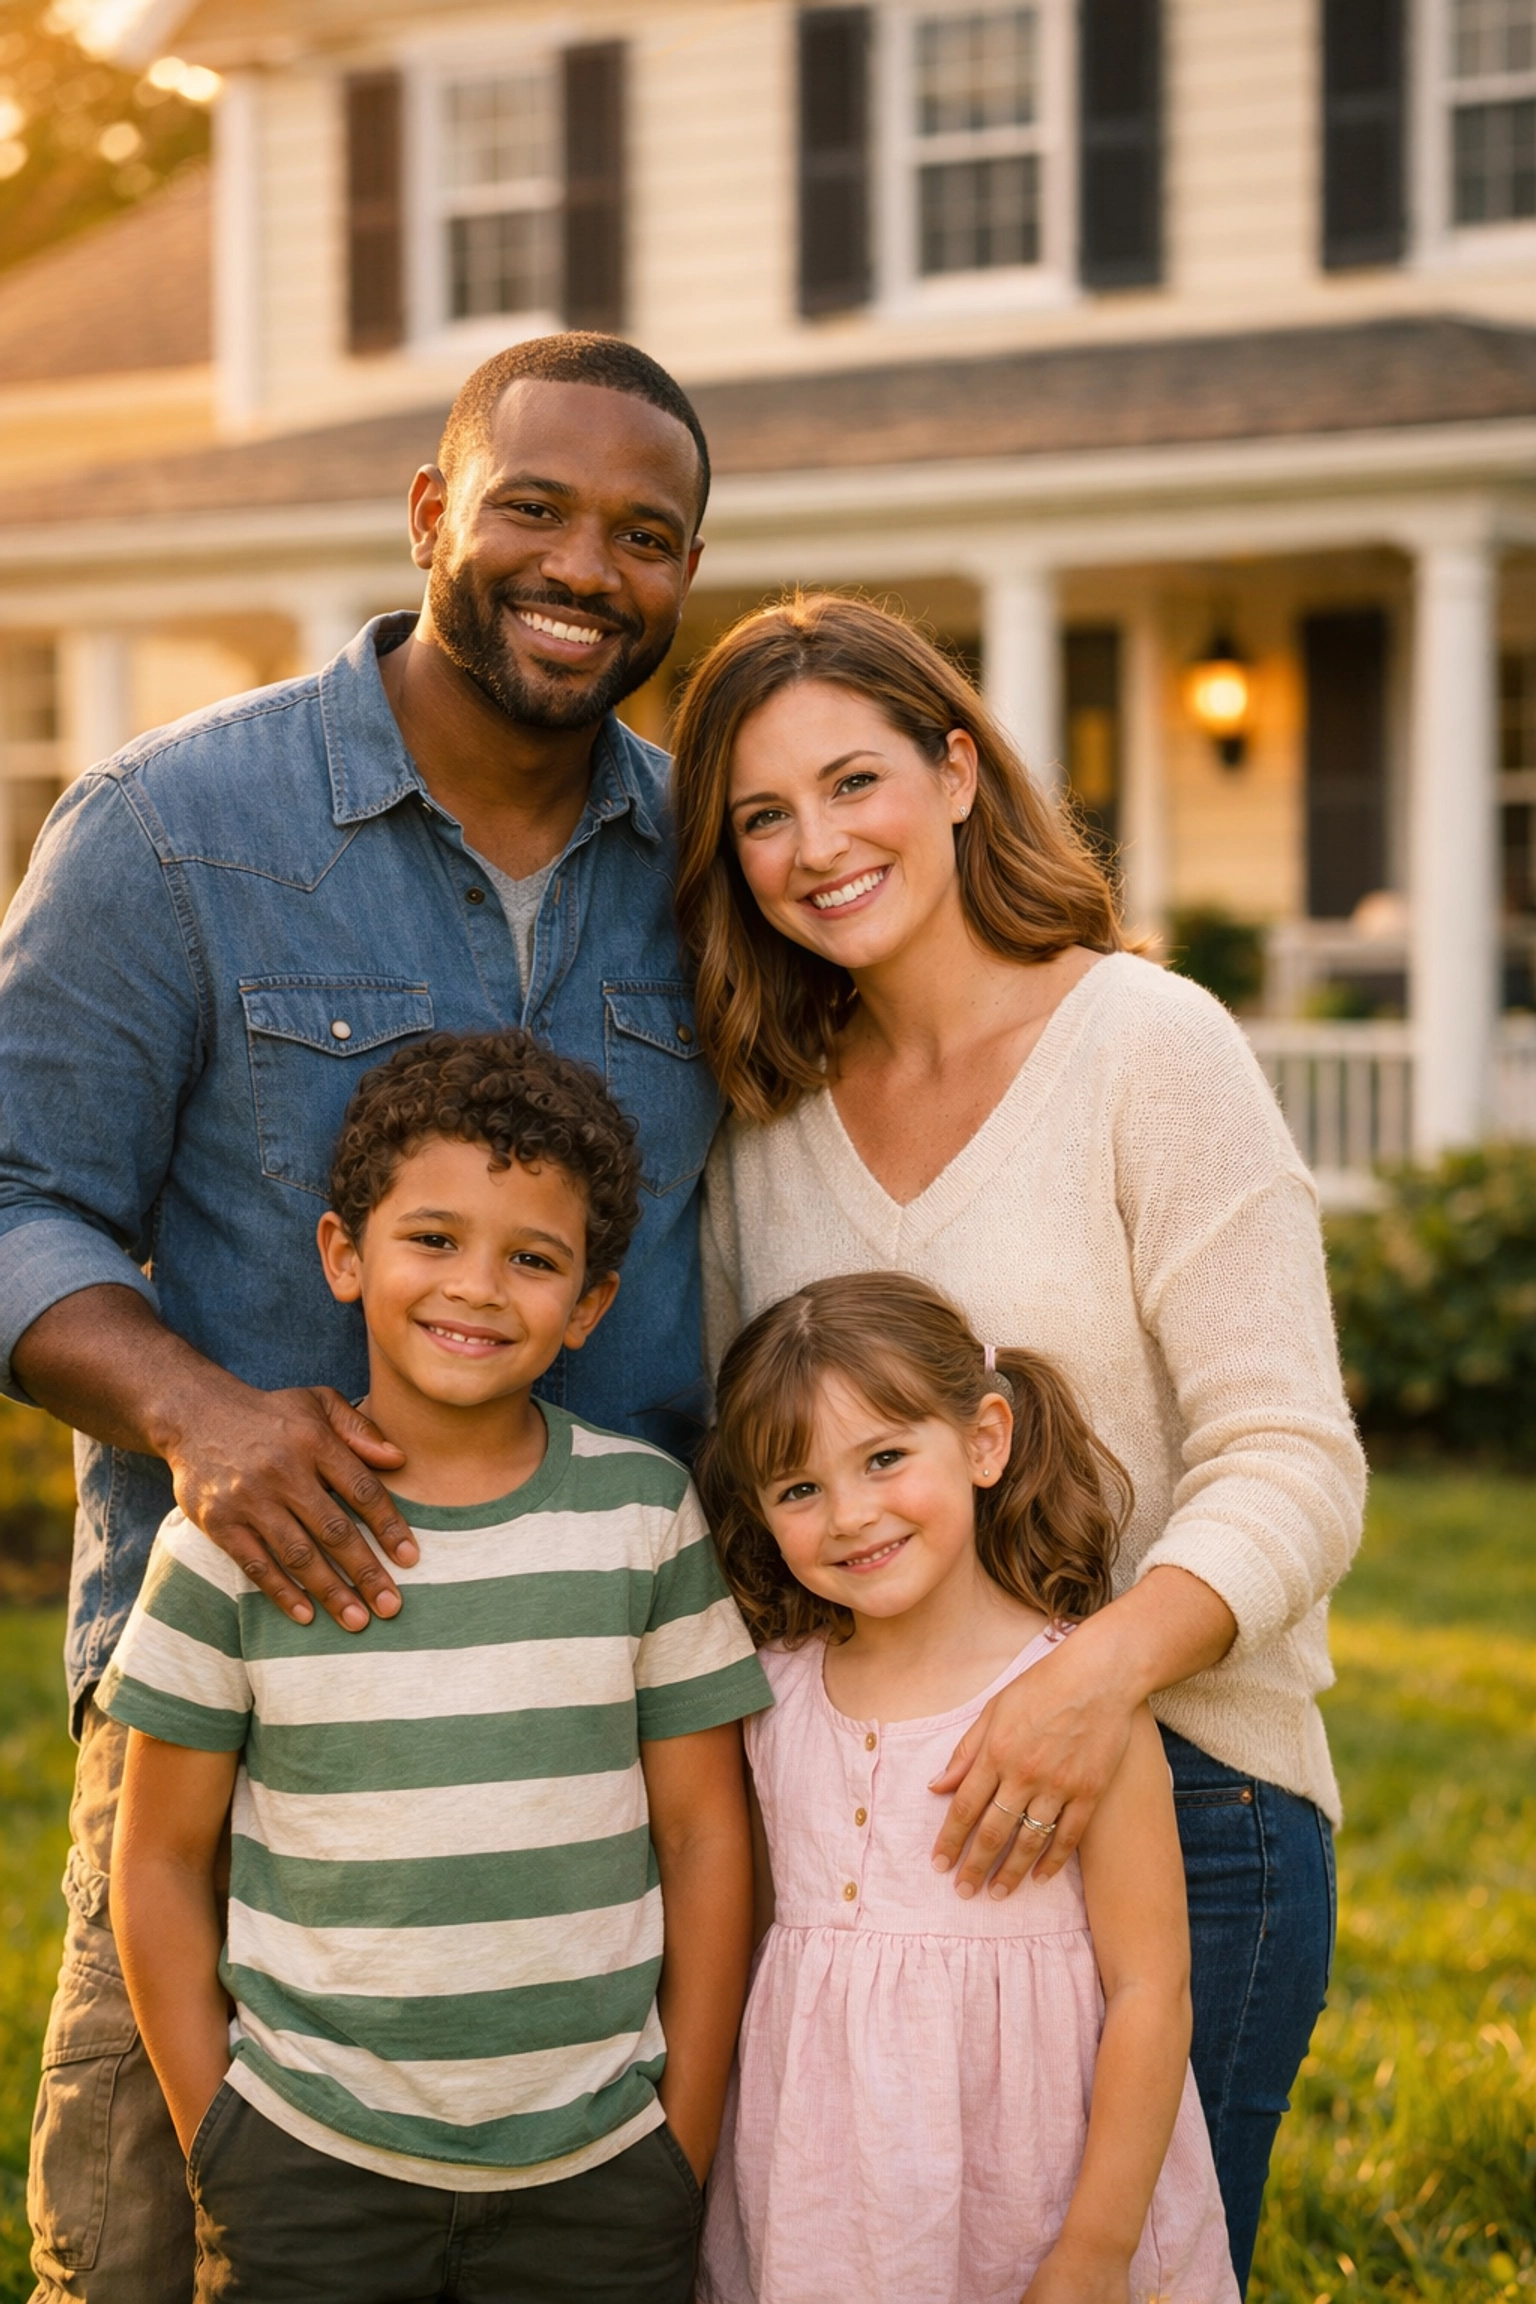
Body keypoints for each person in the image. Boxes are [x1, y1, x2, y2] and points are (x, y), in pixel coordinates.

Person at [0, 332, 717, 2302]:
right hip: (243, 1730)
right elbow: (12, 1193)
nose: (589, 567)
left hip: (588, 1751)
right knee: (167, 2255)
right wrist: (197, 1413)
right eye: (538, 508)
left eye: (648, 536)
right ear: (432, 516)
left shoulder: (714, 870)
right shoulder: (169, 832)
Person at [670, 593, 1367, 2291]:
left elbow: (1294, 1453)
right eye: (762, 814)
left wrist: (1089, 1679)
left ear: (960, 768)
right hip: (867, 1839)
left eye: (854, 780)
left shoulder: (1146, 1043)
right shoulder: (761, 1132)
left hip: (1181, 1791)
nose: (816, 845)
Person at [102, 1029, 770, 2304]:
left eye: (532, 1259)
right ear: (344, 1256)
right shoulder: (239, 1536)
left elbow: (702, 1837)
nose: (478, 1287)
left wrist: (677, 2137)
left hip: (601, 2170)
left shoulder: (641, 1516)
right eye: (433, 1239)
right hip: (307, 2168)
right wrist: (224, 2141)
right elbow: (162, 1859)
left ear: (589, 1304)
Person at [692, 1272, 1238, 2304]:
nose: (851, 1515)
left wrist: (1096, 2252)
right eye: (798, 1489)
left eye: (886, 1458)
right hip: (822, 2192)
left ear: (985, 1439)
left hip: (1032, 2187)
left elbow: (1150, 1993)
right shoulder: (770, 1697)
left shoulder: (1078, 1703)